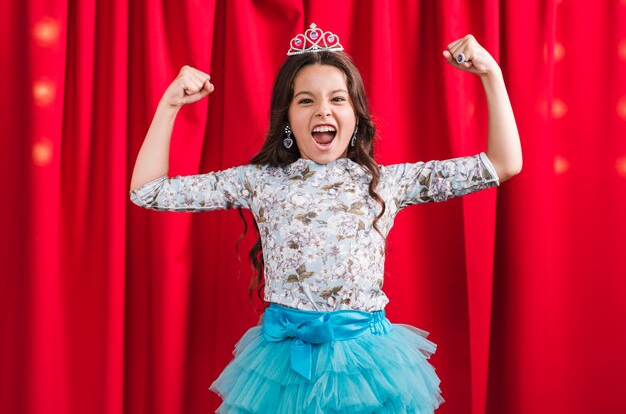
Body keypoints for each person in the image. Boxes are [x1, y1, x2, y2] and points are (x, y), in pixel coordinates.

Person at [130, 23, 521, 414]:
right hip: (284, 368)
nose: (323, 110)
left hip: (366, 366)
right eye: (305, 101)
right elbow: (147, 191)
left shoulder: (386, 182)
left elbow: (504, 163)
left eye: (338, 98)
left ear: (356, 115)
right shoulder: (259, 181)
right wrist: (169, 105)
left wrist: (492, 75)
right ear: (287, 118)